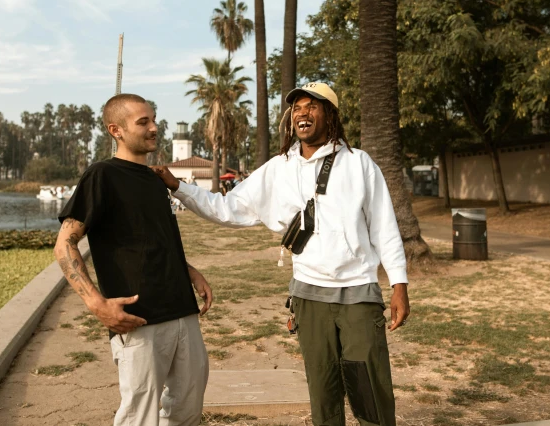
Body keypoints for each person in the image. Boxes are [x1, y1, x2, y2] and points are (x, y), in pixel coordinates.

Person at [153, 82, 410, 426]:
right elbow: (228, 207)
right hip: (308, 294)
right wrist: (179, 187)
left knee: (369, 385)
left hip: (358, 292)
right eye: (297, 108)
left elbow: (384, 227)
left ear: (330, 115)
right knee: (323, 388)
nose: (303, 113)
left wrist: (399, 285)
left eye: (312, 106)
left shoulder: (358, 163)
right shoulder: (279, 168)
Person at [55, 93, 212, 426]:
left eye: (154, 119)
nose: (154, 128)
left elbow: (150, 238)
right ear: (116, 130)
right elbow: (65, 245)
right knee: (139, 417)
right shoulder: (102, 175)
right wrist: (96, 304)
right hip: (137, 318)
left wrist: (190, 271)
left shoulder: (156, 180)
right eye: (143, 122)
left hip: (182, 310)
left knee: (187, 411)